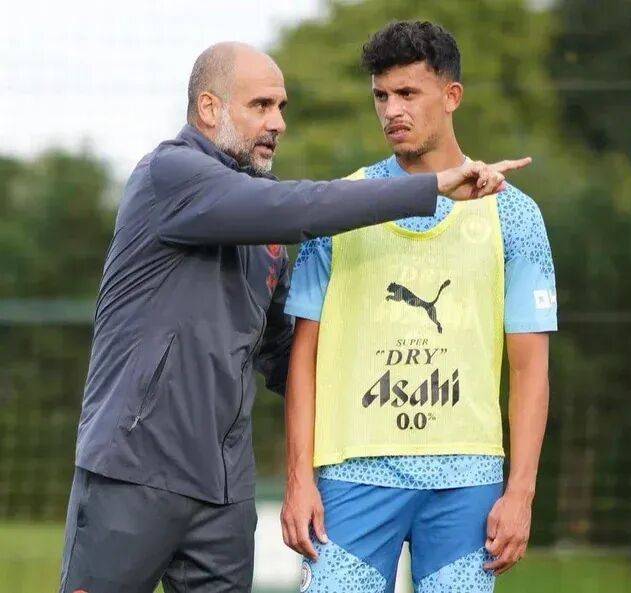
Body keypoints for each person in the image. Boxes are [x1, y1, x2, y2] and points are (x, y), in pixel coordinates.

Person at [58, 39, 529, 593]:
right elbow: (299, 208)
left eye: (281, 107)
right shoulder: (171, 175)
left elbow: (288, 351)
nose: (278, 122)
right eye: (261, 105)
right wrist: (429, 189)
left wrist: (395, 387)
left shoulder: (264, 229)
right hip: (133, 471)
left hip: (224, 491)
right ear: (209, 108)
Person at [281, 21, 557, 593]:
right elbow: (302, 358)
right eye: (381, 96)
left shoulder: (515, 215)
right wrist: (298, 478)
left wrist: (521, 492)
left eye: (407, 93)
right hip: (353, 474)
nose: (391, 111)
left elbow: (530, 368)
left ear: (451, 96)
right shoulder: (339, 207)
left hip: (466, 480)